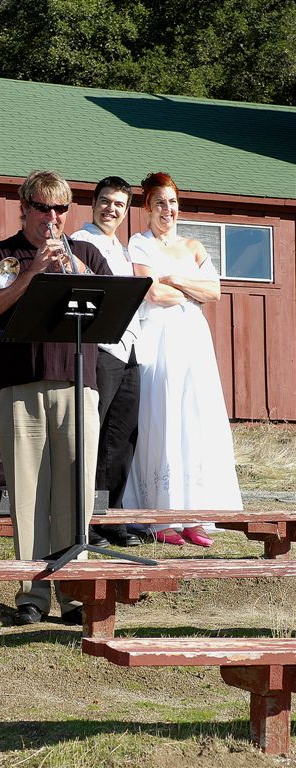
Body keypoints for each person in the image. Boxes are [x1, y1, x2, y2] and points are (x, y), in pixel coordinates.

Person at [0, 170, 111, 626]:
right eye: (43, 207)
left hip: (76, 381)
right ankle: (32, 592)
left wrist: (73, 268)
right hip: (19, 381)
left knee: (75, 488)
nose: (52, 217)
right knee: (28, 490)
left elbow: (114, 309)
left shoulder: (87, 252)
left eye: (61, 209)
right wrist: (32, 273)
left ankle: (73, 592)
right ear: (24, 207)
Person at [123, 172, 243, 546]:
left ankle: (194, 515)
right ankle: (160, 516)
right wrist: (187, 291)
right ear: (147, 207)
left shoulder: (193, 245)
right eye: (160, 202)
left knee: (194, 418)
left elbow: (215, 291)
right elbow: (151, 293)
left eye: (172, 202)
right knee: (161, 416)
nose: (167, 209)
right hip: (159, 338)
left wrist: (176, 281)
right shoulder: (139, 243)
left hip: (194, 340)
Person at [72, 176, 150, 548]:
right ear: (93, 202)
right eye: (105, 201)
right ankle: (84, 521)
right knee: (93, 434)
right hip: (101, 348)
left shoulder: (122, 249)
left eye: (119, 204)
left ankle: (111, 517)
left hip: (131, 347)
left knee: (122, 436)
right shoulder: (80, 242)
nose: (111, 209)